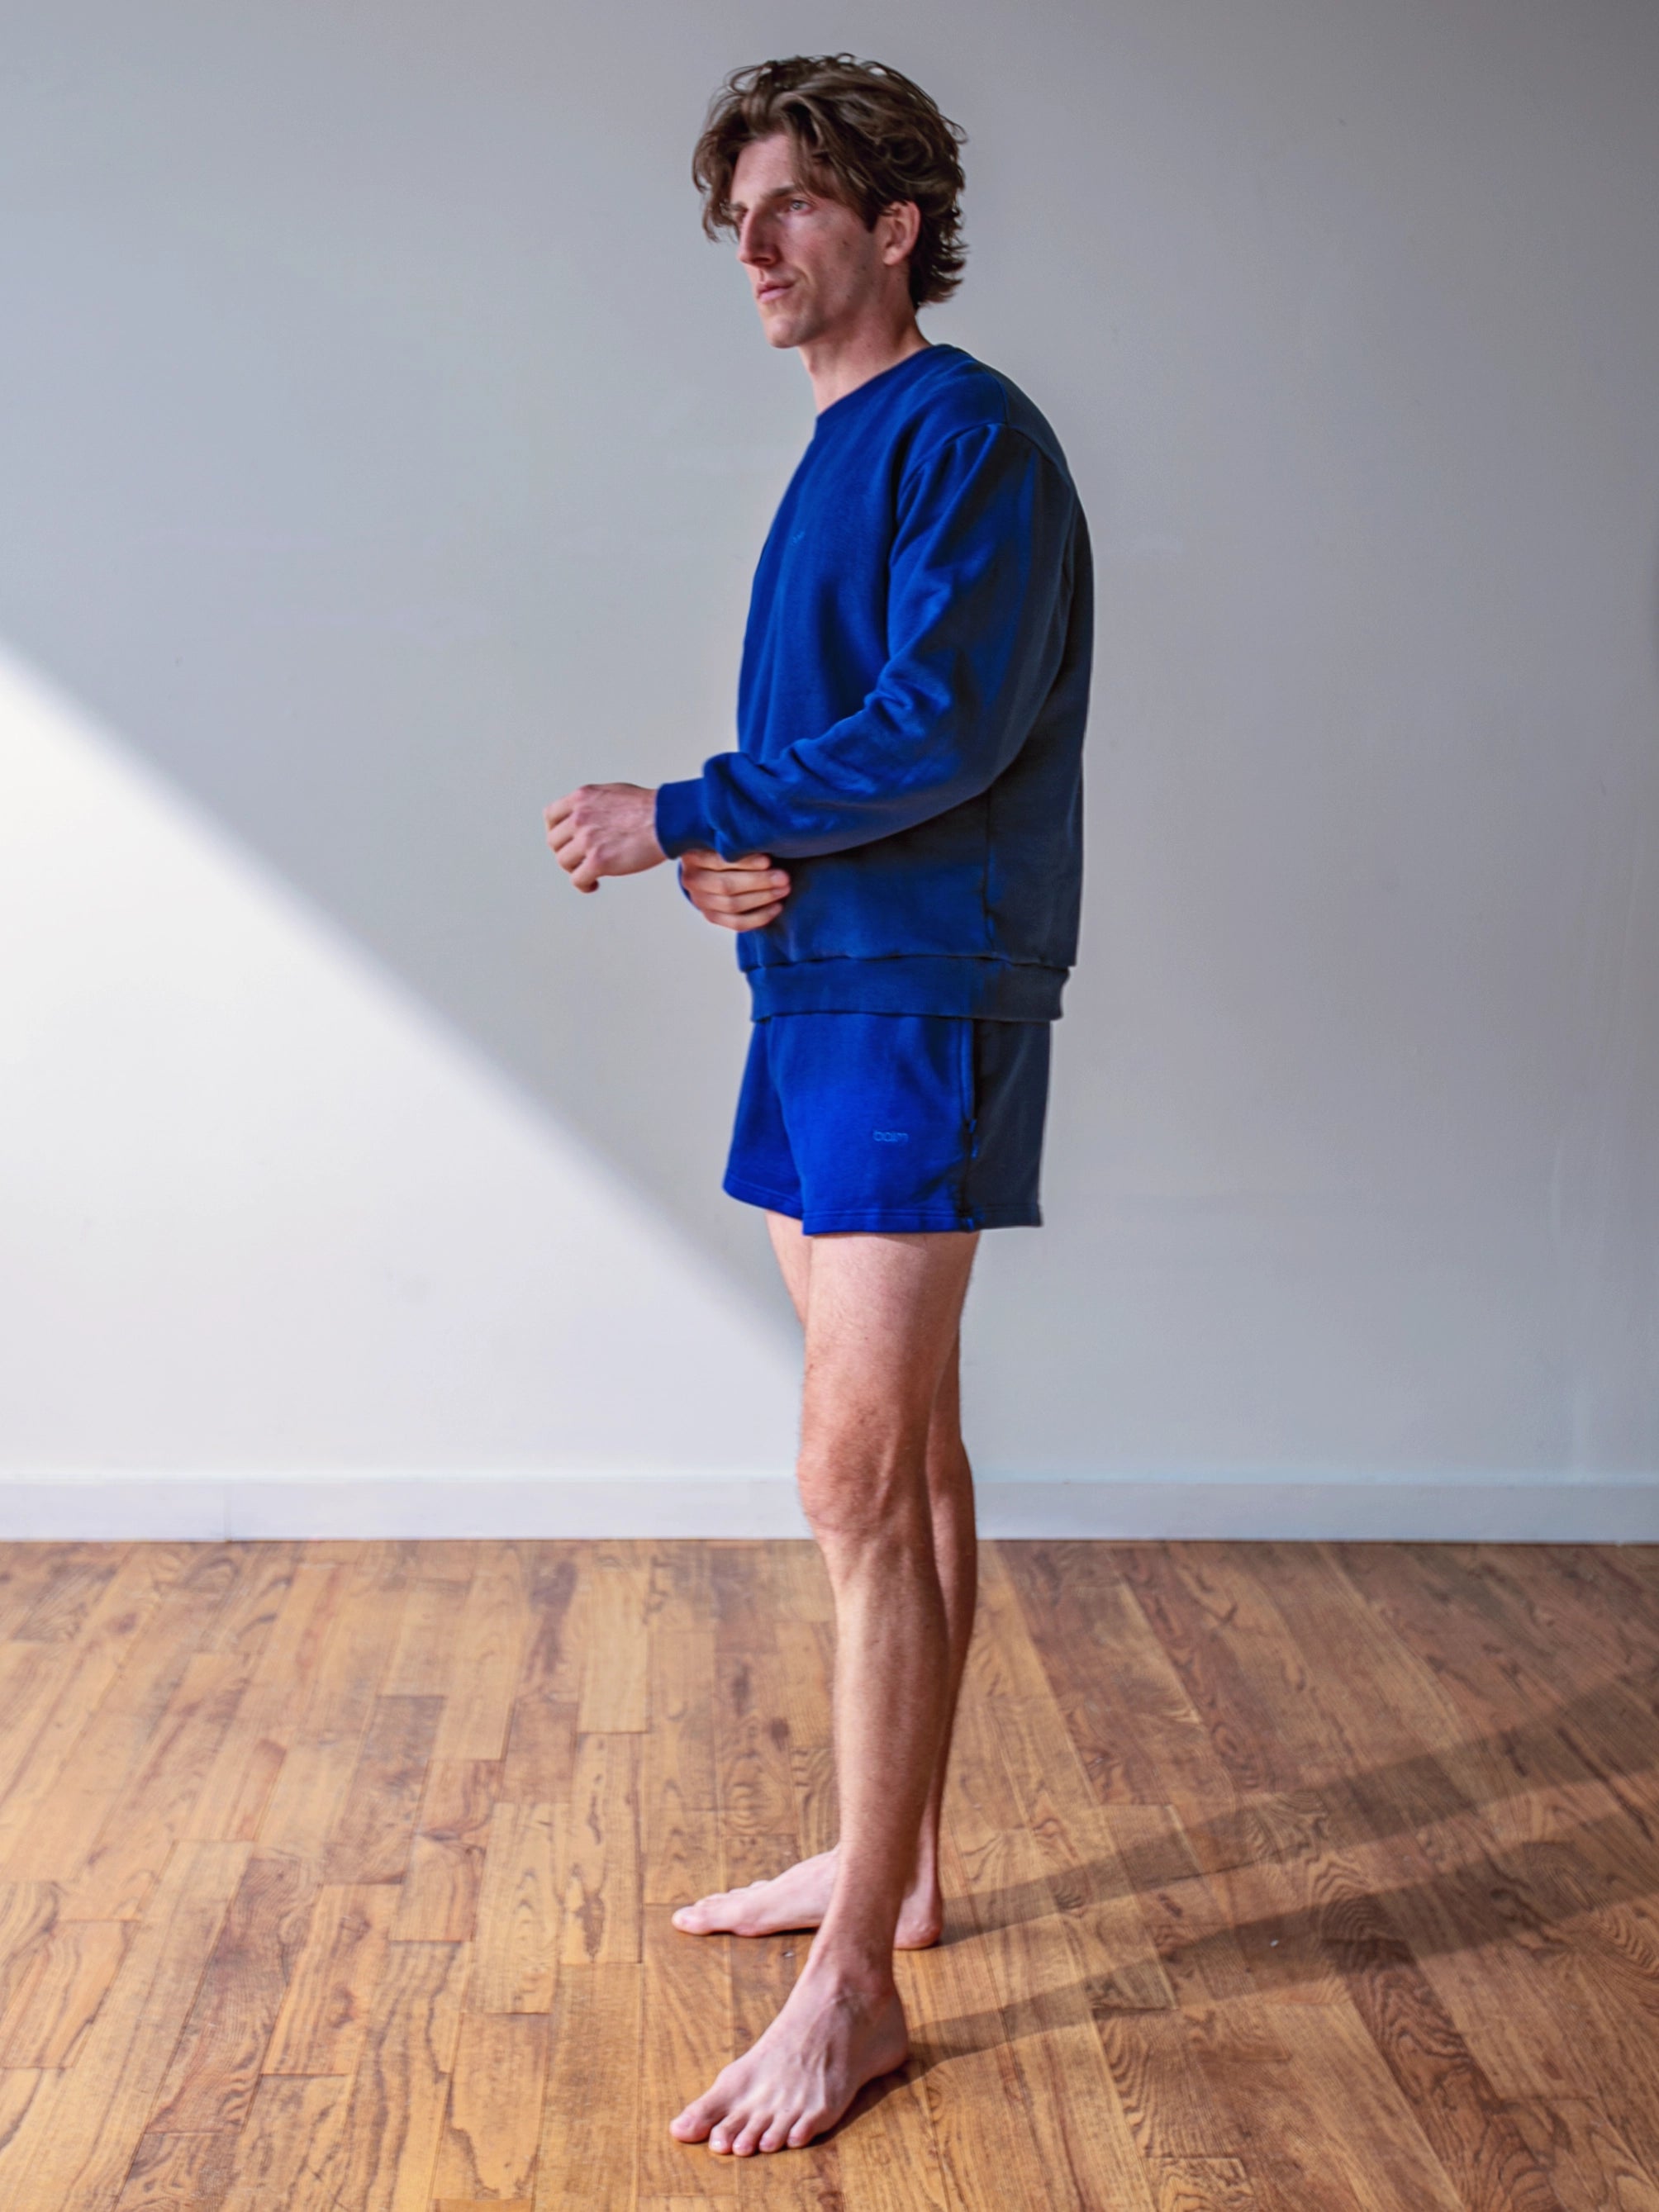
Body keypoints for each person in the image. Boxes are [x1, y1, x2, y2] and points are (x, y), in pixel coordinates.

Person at [545, 52, 1092, 2157]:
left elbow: (943, 729)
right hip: (818, 990)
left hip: (914, 1004)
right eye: (739, 217)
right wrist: (729, 858)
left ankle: (850, 1979)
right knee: (914, 1458)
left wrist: (678, 802)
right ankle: (905, 1869)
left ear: (892, 225)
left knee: (850, 1481)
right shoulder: (839, 442)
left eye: (789, 209)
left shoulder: (969, 436)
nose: (753, 249)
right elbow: (850, 746)